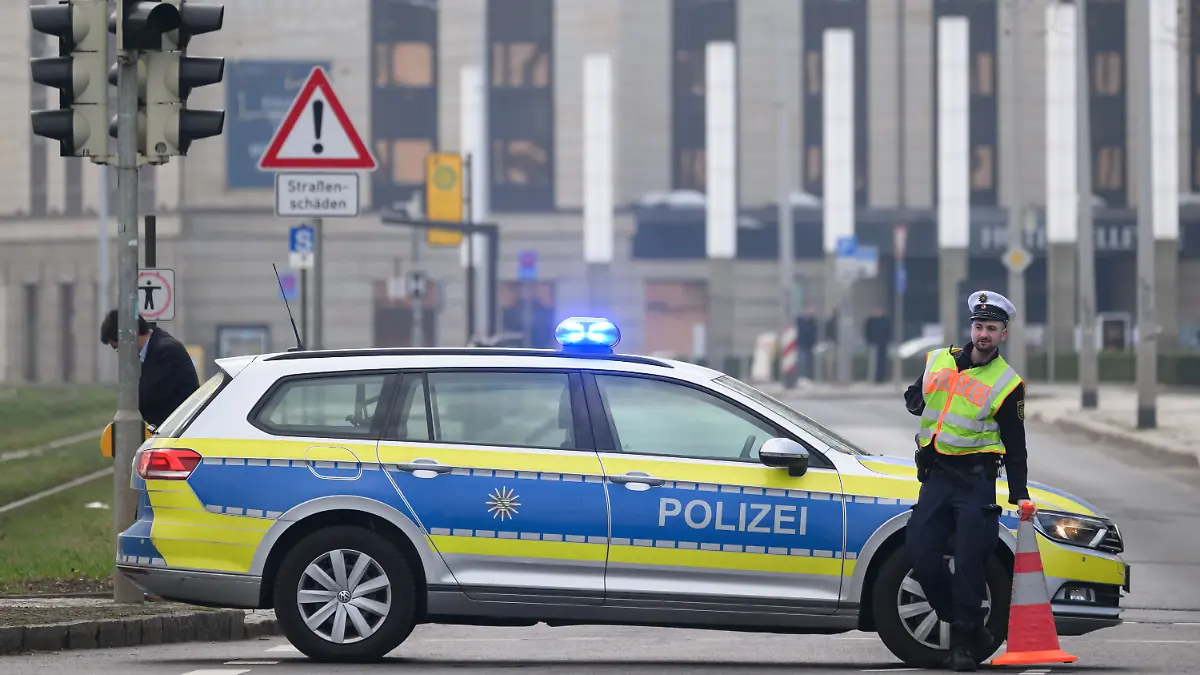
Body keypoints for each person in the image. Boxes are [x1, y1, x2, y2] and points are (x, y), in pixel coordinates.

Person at [901, 290, 1030, 672]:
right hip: (937, 477)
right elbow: (915, 396)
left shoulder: (1007, 383)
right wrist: (917, 399)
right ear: (970, 328)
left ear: (1003, 334)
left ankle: (962, 645)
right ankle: (970, 626)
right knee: (921, 553)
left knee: (971, 564)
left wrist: (1019, 492)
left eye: (991, 328)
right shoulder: (940, 360)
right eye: (978, 326)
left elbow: (1015, 443)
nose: (983, 334)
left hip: (976, 481)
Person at [100, 310, 200, 428]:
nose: (119, 353)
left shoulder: (165, 351)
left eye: (117, 347)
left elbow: (146, 398)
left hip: (181, 431)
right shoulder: (154, 347)